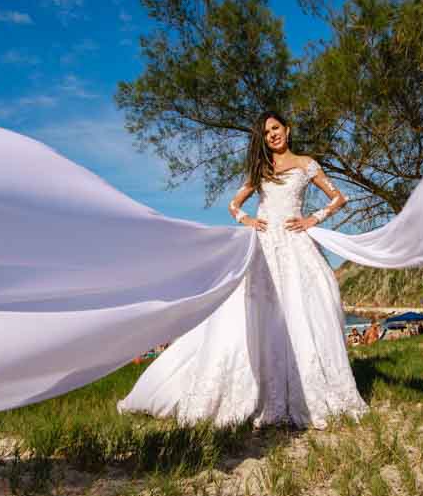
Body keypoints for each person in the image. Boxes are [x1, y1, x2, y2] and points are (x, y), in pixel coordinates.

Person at [117, 111, 368, 428]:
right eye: (266, 133)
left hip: (295, 246)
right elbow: (234, 205)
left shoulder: (307, 164)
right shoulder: (261, 169)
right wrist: (248, 220)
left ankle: (310, 390)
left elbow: (338, 197)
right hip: (263, 247)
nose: (272, 135)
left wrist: (312, 219)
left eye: (276, 128)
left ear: (287, 130)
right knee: (257, 313)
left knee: (301, 312)